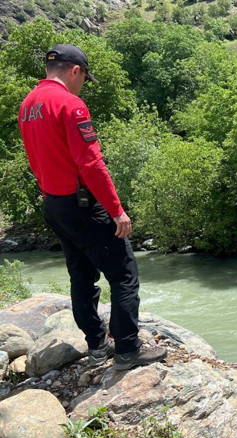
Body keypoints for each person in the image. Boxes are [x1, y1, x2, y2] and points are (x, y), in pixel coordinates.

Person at [18, 44, 166, 371]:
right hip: (83, 203)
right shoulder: (71, 105)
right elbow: (91, 163)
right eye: (84, 77)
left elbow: (36, 159)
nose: (83, 84)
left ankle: (97, 343)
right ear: (75, 71)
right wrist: (116, 210)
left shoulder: (27, 106)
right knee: (124, 272)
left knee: (81, 275)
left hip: (54, 205)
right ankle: (128, 348)